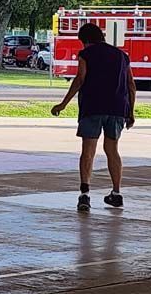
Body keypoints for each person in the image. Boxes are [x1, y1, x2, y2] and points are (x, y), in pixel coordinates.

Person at [51, 23, 135, 211]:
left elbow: (80, 78)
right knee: (112, 149)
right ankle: (116, 192)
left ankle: (85, 194)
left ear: (85, 40)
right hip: (117, 108)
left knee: (88, 150)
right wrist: (130, 112)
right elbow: (131, 85)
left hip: (92, 107)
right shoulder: (122, 56)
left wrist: (63, 104)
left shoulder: (86, 54)